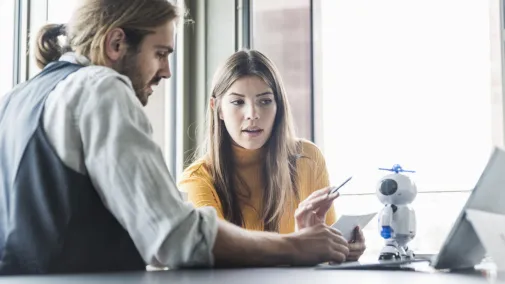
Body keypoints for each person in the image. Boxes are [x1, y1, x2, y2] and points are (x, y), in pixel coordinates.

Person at [0, 0, 350, 275]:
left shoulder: (15, 99)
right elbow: (175, 238)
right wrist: (296, 247)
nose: (166, 71)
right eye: (161, 53)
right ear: (116, 43)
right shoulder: (101, 89)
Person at [178, 49, 366, 261]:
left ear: (279, 106)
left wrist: (340, 249)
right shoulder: (197, 179)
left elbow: (325, 257)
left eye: (265, 101)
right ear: (217, 108)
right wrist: (300, 243)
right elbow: (213, 250)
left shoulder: (308, 158)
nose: (252, 114)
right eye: (238, 102)